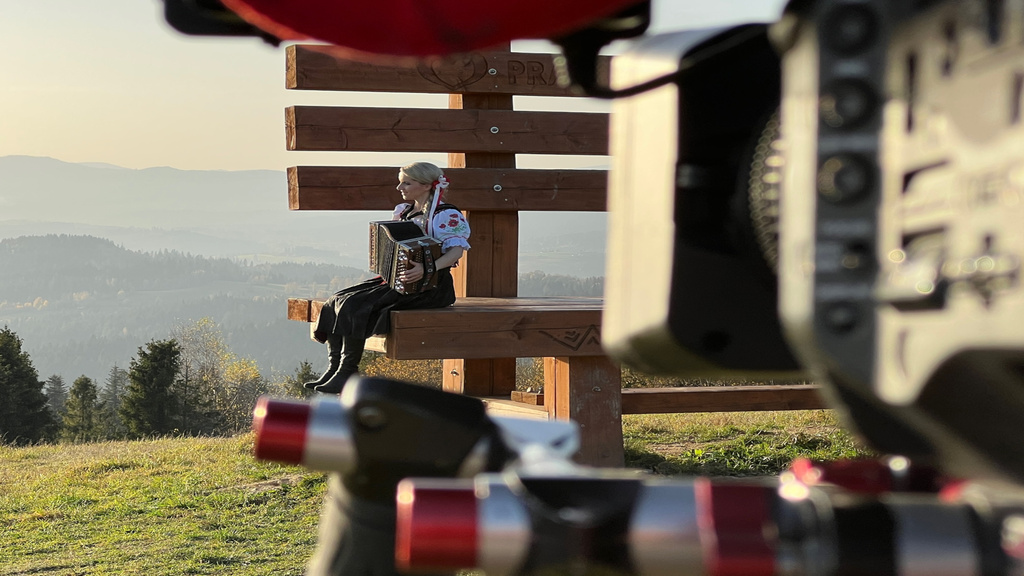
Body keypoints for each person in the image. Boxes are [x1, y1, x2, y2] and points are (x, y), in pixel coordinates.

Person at [303, 161, 471, 394]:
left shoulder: (446, 215)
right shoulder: (404, 211)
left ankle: (347, 370)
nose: (399, 187)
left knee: (355, 304)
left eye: (406, 182)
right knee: (337, 299)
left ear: (424, 186)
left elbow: (456, 251)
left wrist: (426, 269)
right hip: (400, 280)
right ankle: (335, 369)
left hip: (431, 287)